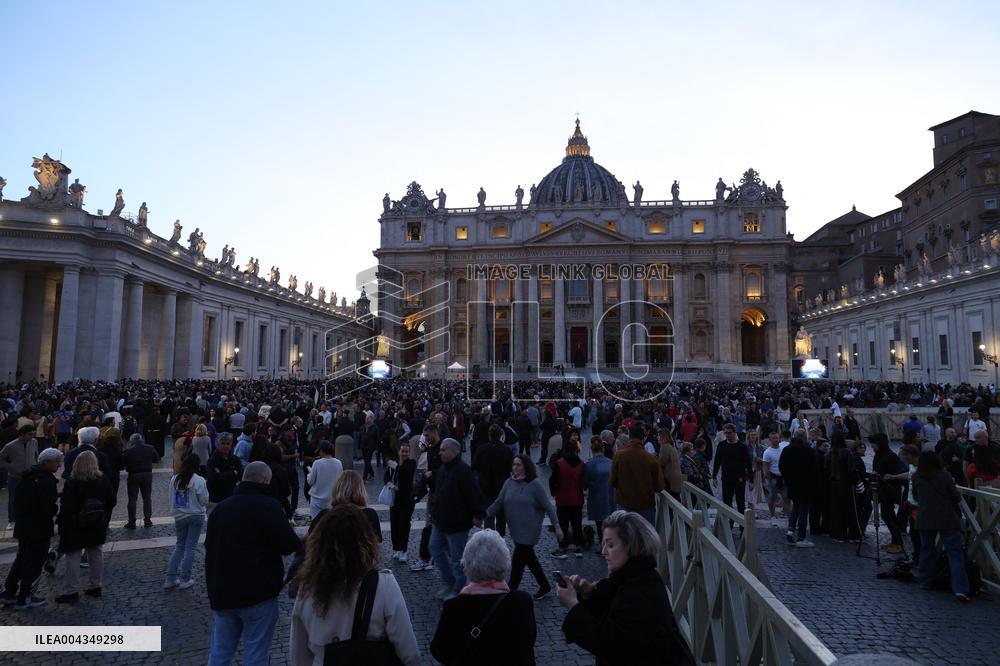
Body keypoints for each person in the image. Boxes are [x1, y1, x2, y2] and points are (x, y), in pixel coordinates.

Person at [289, 503, 420, 665]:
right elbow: (409, 651)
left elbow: (298, 656)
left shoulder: (306, 589)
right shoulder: (384, 585)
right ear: (366, 542)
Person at [557, 510, 686, 665]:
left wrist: (573, 604)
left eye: (610, 545)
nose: (603, 552)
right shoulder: (633, 577)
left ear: (631, 546)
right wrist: (588, 594)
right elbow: (612, 616)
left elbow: (612, 645)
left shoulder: (641, 589)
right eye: (604, 544)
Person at [206, 461, 302, 665]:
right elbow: (288, 544)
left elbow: (209, 548)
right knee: (256, 654)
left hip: (222, 592)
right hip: (258, 593)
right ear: (265, 481)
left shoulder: (220, 509)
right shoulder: (268, 506)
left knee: (219, 654)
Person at [431, 529, 537, 665]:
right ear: (504, 562)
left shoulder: (453, 607)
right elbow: (529, 641)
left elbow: (441, 652)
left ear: (467, 565)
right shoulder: (522, 602)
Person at [487, 455, 562, 598]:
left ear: (526, 467)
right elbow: (498, 503)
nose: (515, 467)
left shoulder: (534, 485)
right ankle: (544, 586)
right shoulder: (509, 482)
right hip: (516, 529)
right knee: (530, 559)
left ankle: (509, 592)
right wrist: (485, 514)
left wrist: (557, 526)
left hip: (530, 530)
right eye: (514, 464)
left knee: (518, 562)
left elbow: (548, 507)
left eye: (518, 465)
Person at [0, 448, 62, 610]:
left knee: (21, 558)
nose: (59, 464)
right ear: (46, 462)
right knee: (35, 561)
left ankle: (9, 592)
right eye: (56, 461)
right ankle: (26, 596)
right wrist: (55, 509)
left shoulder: (27, 476)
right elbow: (47, 508)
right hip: (39, 527)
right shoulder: (46, 481)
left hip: (23, 525)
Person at [54, 451, 116, 603]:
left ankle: (71, 591)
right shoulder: (102, 480)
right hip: (96, 522)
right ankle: (95, 586)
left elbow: (67, 507)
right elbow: (112, 500)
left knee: (73, 556)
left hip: (75, 524)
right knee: (96, 553)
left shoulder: (73, 482)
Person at [429, 438, 486, 599]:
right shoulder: (442, 469)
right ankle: (450, 582)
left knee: (457, 560)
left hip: (457, 523)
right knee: (435, 550)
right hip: (440, 520)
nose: (440, 452)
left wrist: (478, 514)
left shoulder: (463, 471)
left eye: (443, 450)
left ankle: (458, 590)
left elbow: (474, 493)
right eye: (440, 449)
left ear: (454, 451)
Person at [912, 451, 971, 602]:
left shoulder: (917, 477)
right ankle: (960, 589)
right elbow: (956, 497)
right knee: (955, 553)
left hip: (925, 517)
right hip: (946, 517)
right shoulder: (944, 476)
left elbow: (916, 496)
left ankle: (924, 581)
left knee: (926, 550)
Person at [164, 453, 209, 590]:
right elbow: (204, 500)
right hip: (195, 515)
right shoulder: (199, 480)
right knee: (190, 548)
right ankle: (184, 579)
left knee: (179, 546)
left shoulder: (175, 479)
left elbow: (170, 496)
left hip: (179, 516)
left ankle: (170, 578)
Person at [610, 424, 665, 526]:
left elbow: (612, 481)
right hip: (646, 505)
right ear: (643, 438)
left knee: (625, 536)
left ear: (629, 438)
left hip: (625, 504)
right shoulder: (651, 458)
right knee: (645, 536)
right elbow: (659, 486)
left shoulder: (619, 456)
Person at [473, 424, 514, 536]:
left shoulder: (482, 449)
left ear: (489, 435)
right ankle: (500, 537)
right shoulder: (507, 450)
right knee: (501, 517)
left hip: (486, 487)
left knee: (488, 516)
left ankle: (490, 538)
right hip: (502, 488)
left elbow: (475, 466)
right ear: (501, 435)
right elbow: (512, 469)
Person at [550, 438, 586, 557]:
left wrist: (553, 491)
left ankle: (562, 546)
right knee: (577, 523)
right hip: (577, 498)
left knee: (563, 523)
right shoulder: (581, 464)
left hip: (563, 498)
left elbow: (553, 480)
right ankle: (578, 545)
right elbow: (583, 482)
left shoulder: (559, 463)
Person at [779, 434, 815, 547]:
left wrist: (788, 479)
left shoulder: (786, 450)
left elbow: (781, 466)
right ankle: (801, 537)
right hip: (806, 485)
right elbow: (814, 468)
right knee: (804, 511)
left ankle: (790, 531)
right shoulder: (808, 450)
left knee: (795, 508)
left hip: (792, 485)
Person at [0, 424, 40, 529]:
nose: (31, 436)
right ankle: (12, 520)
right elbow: (1, 459)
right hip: (14, 476)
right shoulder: (10, 446)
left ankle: (28, 517)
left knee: (31, 497)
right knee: (13, 499)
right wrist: (10, 467)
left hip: (30, 476)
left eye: (33, 434)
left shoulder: (34, 442)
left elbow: (36, 455)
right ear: (22, 434)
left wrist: (36, 466)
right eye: (29, 434)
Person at [711, 423, 751, 515]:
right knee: (727, 502)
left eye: (729, 433)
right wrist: (714, 476)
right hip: (726, 478)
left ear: (734, 433)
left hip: (739, 478)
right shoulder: (722, 445)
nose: (727, 435)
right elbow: (717, 461)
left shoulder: (742, 447)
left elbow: (748, 463)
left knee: (740, 503)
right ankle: (730, 522)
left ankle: (742, 526)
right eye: (726, 433)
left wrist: (751, 479)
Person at [385, 443, 416, 561]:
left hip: (407, 498)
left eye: (407, 451)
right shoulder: (394, 464)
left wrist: (396, 466)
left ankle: (404, 550)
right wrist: (391, 485)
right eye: (402, 451)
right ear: (399, 452)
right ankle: (396, 548)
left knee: (404, 523)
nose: (404, 453)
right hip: (394, 498)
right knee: (394, 523)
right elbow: (386, 477)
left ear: (409, 453)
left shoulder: (411, 463)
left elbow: (406, 472)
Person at [122, 433, 159, 529]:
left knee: (132, 499)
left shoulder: (128, 451)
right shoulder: (150, 448)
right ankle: (147, 520)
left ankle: (132, 521)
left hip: (133, 475)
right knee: (147, 498)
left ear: (132, 441)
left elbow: (123, 464)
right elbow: (156, 460)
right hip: (147, 474)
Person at [584, 437, 616, 538]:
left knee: (600, 524)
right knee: (610, 523)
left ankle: (604, 543)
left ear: (591, 450)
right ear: (603, 450)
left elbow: (585, 483)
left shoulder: (589, 464)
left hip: (596, 497)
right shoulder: (611, 463)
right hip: (611, 497)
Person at [304, 441, 342, 519]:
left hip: (317, 500)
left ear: (321, 450)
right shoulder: (338, 463)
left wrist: (309, 474)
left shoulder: (317, 463)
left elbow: (310, 482)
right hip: (332, 499)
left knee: (316, 523)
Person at [206, 432, 243, 508]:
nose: (225, 446)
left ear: (231, 445)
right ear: (218, 445)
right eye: (223, 443)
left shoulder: (235, 460)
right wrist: (233, 473)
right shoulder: (212, 460)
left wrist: (221, 474)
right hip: (214, 498)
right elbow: (213, 477)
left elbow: (240, 475)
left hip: (230, 497)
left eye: (228, 443)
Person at [761, 431, 789, 527]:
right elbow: (765, 467)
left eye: (777, 438)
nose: (776, 440)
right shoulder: (767, 452)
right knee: (772, 498)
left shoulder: (783, 449)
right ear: (770, 440)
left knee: (786, 497)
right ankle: (772, 516)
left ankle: (790, 516)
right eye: (773, 438)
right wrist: (768, 479)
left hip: (784, 477)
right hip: (773, 477)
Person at [657, 430, 683, 500]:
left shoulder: (665, 447)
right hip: (676, 479)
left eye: (659, 436)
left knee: (671, 502)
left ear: (663, 437)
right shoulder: (671, 446)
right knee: (676, 499)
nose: (657, 437)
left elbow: (661, 462)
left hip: (670, 480)